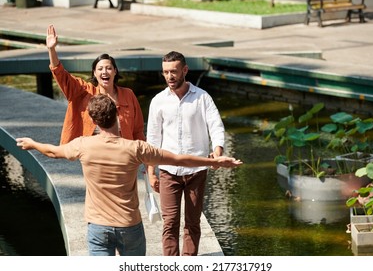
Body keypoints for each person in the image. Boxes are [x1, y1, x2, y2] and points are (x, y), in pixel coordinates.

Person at [16, 94, 242, 256]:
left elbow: (53, 152)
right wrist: (214, 161)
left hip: (97, 226)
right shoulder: (136, 148)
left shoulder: (82, 145)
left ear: (94, 122)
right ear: (117, 115)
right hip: (129, 227)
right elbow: (178, 159)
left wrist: (33, 143)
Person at [146, 51, 226, 256]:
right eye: (165, 72)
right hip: (168, 172)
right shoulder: (158, 101)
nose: (169, 76)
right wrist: (151, 172)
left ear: (185, 70)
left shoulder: (202, 97)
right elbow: (152, 139)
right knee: (169, 223)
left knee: (192, 223)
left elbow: (216, 127)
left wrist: (217, 153)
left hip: (196, 171)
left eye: (173, 71)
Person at [46, 24, 145, 144]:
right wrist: (52, 50)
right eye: (100, 69)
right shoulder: (84, 92)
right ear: (94, 73)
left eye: (108, 68)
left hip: (123, 154)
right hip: (93, 154)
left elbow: (138, 130)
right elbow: (61, 76)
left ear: (115, 71)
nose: (104, 72)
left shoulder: (128, 95)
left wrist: (146, 159)